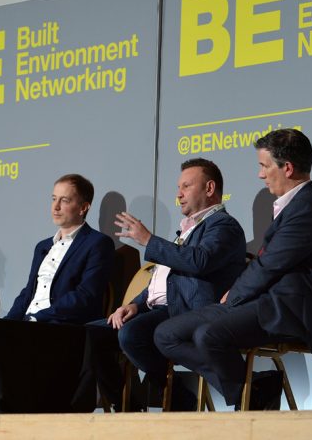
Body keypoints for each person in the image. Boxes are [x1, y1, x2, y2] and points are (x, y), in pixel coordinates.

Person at [155, 129, 312, 410]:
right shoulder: (294, 206)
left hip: (289, 309)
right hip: (263, 300)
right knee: (165, 334)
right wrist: (236, 294)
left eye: (264, 166)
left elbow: (269, 265)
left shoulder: (306, 208)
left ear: (287, 168)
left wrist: (235, 295)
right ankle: (255, 393)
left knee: (209, 335)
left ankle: (248, 401)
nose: (260, 175)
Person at [87, 158, 246, 411]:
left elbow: (200, 261)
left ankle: (177, 397)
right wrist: (135, 305)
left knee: (131, 335)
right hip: (160, 309)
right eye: (178, 187)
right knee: (87, 335)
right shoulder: (188, 229)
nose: (179, 194)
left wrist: (149, 240)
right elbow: (162, 279)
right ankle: (127, 405)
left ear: (209, 188)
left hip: (188, 311)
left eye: (186, 186)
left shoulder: (224, 226)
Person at [5, 173, 115, 324]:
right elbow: (28, 292)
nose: (56, 207)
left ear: (83, 208)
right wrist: (6, 323)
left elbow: (85, 295)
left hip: (61, 324)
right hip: (29, 322)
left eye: (64, 200)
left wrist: (39, 317)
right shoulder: (43, 246)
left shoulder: (98, 243)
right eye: (54, 199)